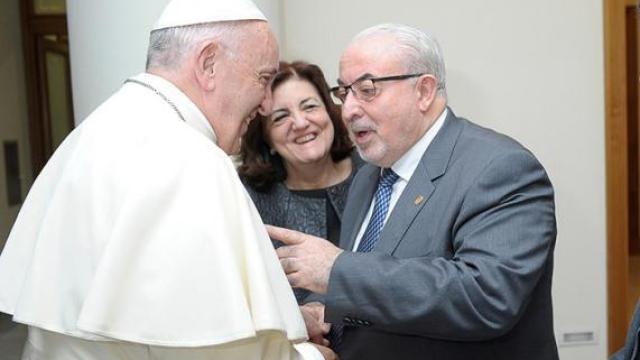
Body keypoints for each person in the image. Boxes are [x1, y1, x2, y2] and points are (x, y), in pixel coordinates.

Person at [0, 0, 334, 359]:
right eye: (263, 79)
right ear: (208, 64)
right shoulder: (191, 161)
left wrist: (286, 320)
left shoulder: (91, 132)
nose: (267, 104)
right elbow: (208, 348)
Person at [268, 23, 558, 360]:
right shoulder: (368, 178)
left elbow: (486, 297)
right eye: (345, 92)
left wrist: (336, 271)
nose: (348, 110)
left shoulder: (501, 168)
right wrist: (330, 310)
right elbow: (379, 290)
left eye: (368, 89)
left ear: (423, 90)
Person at [238, 61, 362, 305]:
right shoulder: (247, 199)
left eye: (310, 107)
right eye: (281, 117)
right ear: (267, 139)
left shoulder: (377, 174)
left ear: (329, 112)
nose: (301, 123)